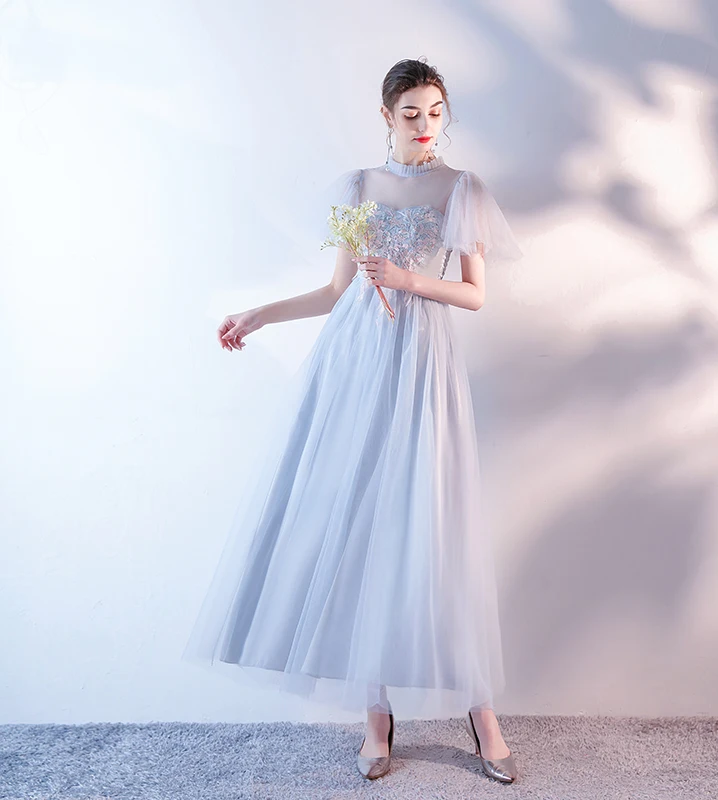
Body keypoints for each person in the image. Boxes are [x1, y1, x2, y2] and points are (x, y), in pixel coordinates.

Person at [182, 57, 524, 784]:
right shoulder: (357, 188)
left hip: (423, 363)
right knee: (362, 523)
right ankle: (376, 715)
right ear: (386, 116)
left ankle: (481, 712)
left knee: (435, 525)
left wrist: (408, 279)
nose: (426, 126)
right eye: (412, 113)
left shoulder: (463, 189)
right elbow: (337, 290)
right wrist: (258, 315)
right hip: (358, 365)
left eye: (436, 112)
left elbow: (474, 295)